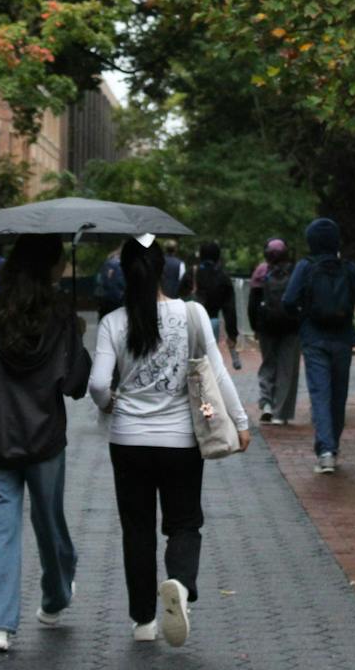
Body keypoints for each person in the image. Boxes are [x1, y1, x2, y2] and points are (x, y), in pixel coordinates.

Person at [88, 235, 250, 648]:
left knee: (136, 529)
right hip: (181, 440)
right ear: (165, 269)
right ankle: (179, 581)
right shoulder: (191, 313)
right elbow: (218, 373)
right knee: (184, 521)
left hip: (128, 441)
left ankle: (143, 620)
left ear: (124, 272)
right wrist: (241, 422)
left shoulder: (112, 322)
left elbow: (97, 384)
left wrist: (110, 404)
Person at [0, 234, 91, 654]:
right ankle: (56, 593)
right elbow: (75, 385)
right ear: (52, 267)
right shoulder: (62, 315)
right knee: (49, 522)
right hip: (45, 436)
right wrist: (77, 341)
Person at [281, 218, 355, 475]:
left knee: (320, 395)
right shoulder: (348, 268)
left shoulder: (305, 267)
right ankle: (332, 447)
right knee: (339, 396)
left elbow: (288, 300)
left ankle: (325, 451)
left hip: (314, 338)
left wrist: (302, 318)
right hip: (342, 339)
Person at [247, 238, 300, 425]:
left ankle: (266, 403)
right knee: (287, 368)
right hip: (291, 326)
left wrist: (255, 326)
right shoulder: (294, 271)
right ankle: (280, 413)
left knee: (268, 363)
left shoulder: (261, 271)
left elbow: (253, 302)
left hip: (266, 326)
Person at [180, 241, 241, 371]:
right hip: (212, 322)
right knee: (209, 363)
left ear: (200, 255)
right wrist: (232, 334)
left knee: (189, 361)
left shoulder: (192, 273)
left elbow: (178, 296)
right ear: (218, 257)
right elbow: (229, 309)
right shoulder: (223, 277)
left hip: (190, 321)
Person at [93, 245, 126, 318]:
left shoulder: (106, 263)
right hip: (117, 299)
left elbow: (99, 280)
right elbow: (120, 282)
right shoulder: (118, 264)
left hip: (105, 298)